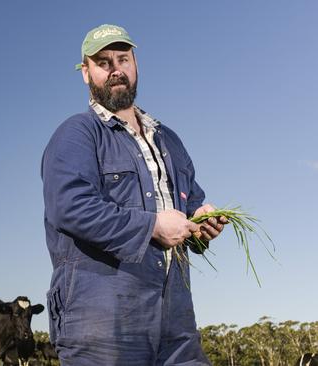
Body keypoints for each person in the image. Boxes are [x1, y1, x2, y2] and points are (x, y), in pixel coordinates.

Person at [41, 24, 227, 365]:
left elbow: (191, 202)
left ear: (135, 64)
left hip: (175, 316)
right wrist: (152, 226)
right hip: (103, 321)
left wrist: (202, 222)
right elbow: (69, 207)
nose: (115, 69)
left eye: (122, 59)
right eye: (103, 62)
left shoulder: (168, 140)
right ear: (86, 73)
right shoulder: (77, 134)